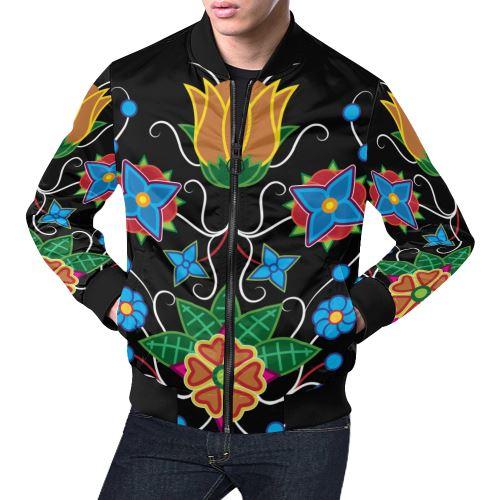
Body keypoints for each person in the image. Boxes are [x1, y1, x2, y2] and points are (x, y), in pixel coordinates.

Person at [26, 1, 474, 498]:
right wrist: (117, 301)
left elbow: (440, 237)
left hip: (304, 428)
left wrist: (355, 314)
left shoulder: (357, 99)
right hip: (163, 419)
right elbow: (54, 214)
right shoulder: (131, 87)